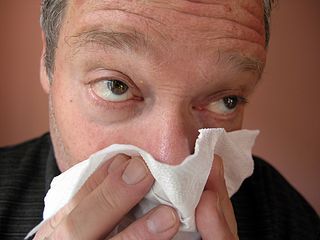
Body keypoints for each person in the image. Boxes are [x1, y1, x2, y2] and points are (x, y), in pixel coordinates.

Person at [0, 0, 319, 239]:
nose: (173, 159)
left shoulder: (278, 213)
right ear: (48, 62)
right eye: (117, 86)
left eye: (226, 100)